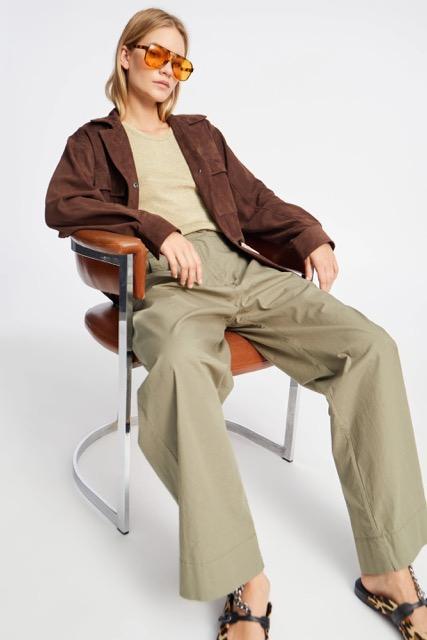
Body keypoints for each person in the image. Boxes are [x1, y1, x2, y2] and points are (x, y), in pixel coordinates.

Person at [45, 8, 427, 640]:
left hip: (243, 271)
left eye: (180, 61)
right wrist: (156, 230)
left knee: (370, 346)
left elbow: (254, 201)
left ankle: (388, 566)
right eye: (157, 54)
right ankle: (244, 577)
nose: (169, 70)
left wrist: (310, 234)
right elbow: (64, 205)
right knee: (180, 371)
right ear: (126, 56)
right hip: (166, 285)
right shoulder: (92, 142)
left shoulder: (200, 134)